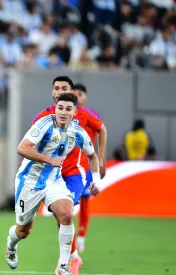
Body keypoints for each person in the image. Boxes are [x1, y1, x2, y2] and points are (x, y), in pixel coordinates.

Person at [5, 93, 101, 275]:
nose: (63, 112)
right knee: (23, 231)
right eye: (60, 108)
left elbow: (92, 155)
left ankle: (64, 266)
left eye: (68, 109)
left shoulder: (78, 132)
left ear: (75, 111)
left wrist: (95, 180)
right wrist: (49, 159)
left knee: (66, 213)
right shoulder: (45, 124)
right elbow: (22, 148)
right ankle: (11, 246)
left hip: (53, 181)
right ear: (55, 108)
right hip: (29, 181)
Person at [32, 77, 107, 275]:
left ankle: (68, 259)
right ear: (52, 92)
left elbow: (101, 129)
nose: (59, 92)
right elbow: (31, 143)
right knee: (61, 215)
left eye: (64, 89)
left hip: (77, 171)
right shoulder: (44, 116)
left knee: (69, 210)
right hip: (51, 174)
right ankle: (72, 256)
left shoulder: (83, 115)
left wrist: (100, 160)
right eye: (56, 88)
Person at [71, 83, 102, 254]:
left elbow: (100, 132)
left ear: (85, 97)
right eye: (73, 93)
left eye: (80, 93)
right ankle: (71, 243)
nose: (77, 96)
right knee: (66, 206)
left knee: (84, 202)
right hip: (68, 167)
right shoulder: (63, 113)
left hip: (85, 167)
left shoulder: (91, 116)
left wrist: (100, 160)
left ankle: (81, 237)